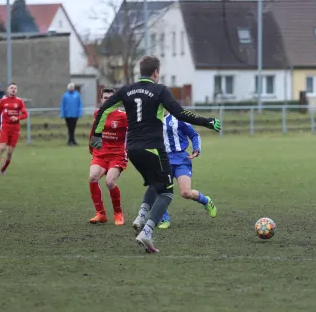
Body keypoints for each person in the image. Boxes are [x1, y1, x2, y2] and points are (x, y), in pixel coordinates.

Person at [91, 55, 221, 253]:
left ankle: (141, 216)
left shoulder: (127, 90)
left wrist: (97, 134)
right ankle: (147, 231)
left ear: (140, 71)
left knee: (155, 183)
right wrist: (207, 121)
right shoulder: (160, 90)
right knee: (167, 193)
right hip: (153, 149)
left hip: (132, 150)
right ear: (156, 73)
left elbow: (104, 108)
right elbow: (180, 113)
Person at [157, 110, 217, 229]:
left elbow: (194, 135)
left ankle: (206, 201)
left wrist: (196, 149)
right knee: (161, 190)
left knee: (186, 193)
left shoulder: (178, 118)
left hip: (181, 159)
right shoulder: (152, 120)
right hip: (163, 160)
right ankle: (165, 219)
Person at [87, 88, 129, 226]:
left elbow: (134, 131)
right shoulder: (98, 113)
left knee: (110, 182)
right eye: (105, 98)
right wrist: (91, 146)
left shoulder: (124, 116)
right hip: (101, 153)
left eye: (112, 98)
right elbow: (94, 130)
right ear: (101, 100)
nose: (108, 100)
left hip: (117, 154)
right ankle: (101, 214)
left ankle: (118, 213)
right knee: (93, 177)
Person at [0, 82, 27, 175]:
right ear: (8, 90)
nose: (13, 89)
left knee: (10, 152)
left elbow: (25, 114)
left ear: (17, 90)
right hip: (5, 127)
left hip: (15, 129)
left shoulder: (19, 101)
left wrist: (17, 118)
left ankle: (4, 168)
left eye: (15, 88)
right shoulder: (3, 101)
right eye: (11, 88)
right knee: (2, 147)